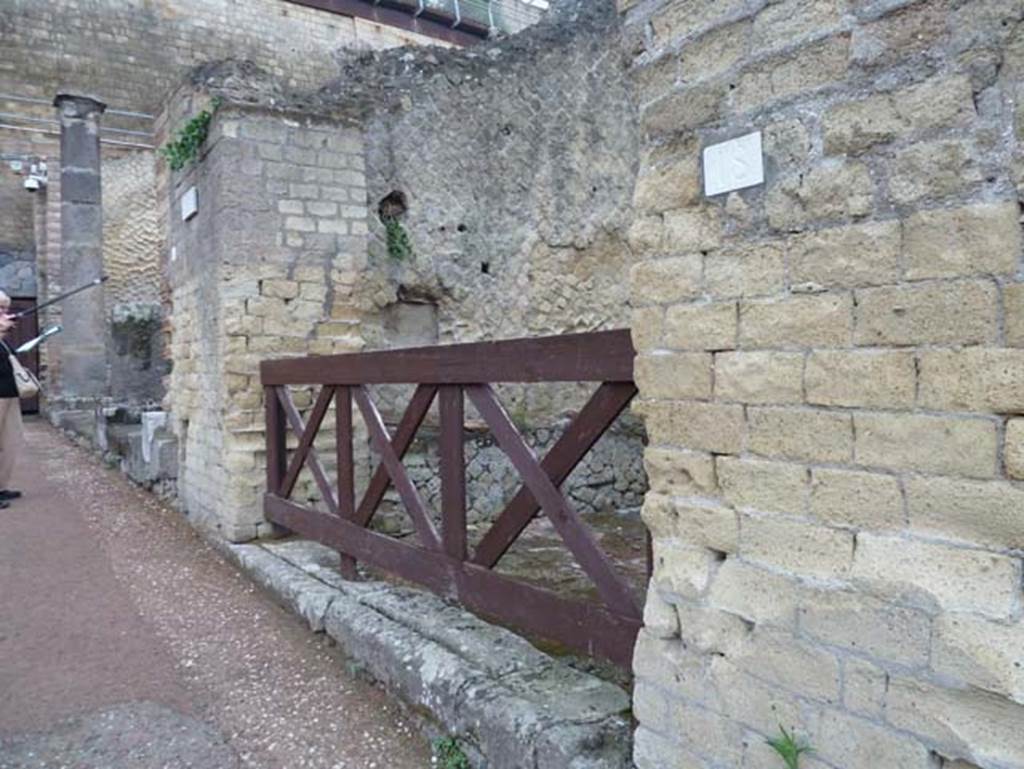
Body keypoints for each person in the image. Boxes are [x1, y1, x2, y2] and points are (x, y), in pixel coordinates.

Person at [0, 290, 24, 508]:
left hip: (9, 393)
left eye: (6, 309)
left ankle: (1, 487)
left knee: (10, 441)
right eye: (0, 309)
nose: (5, 314)